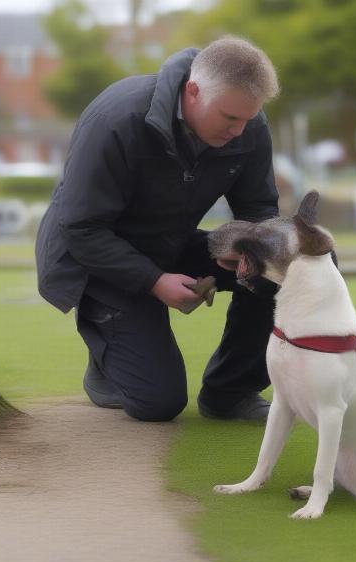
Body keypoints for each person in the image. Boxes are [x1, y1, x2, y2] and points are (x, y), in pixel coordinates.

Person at [35, 37, 280, 422]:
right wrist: (154, 281)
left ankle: (231, 391)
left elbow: (259, 208)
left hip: (173, 241)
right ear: (194, 91)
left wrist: (247, 249)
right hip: (100, 258)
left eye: (248, 118)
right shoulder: (117, 118)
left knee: (283, 262)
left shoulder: (246, 124)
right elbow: (81, 228)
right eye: (230, 118)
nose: (240, 130)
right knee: (158, 403)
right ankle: (105, 360)